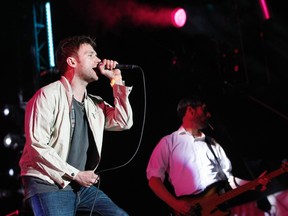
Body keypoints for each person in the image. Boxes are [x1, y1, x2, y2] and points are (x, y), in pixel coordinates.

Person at [19, 35, 133, 216]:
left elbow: (123, 122)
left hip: (79, 186)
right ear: (72, 61)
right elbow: (37, 146)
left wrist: (117, 81)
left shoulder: (93, 104)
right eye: (90, 55)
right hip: (48, 183)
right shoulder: (47, 96)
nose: (99, 60)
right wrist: (76, 174)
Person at [146, 95, 268, 216]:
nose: (209, 114)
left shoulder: (213, 144)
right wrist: (175, 204)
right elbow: (154, 179)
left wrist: (252, 185)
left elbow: (229, 180)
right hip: (191, 211)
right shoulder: (168, 142)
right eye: (204, 109)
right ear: (190, 110)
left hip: (218, 210)